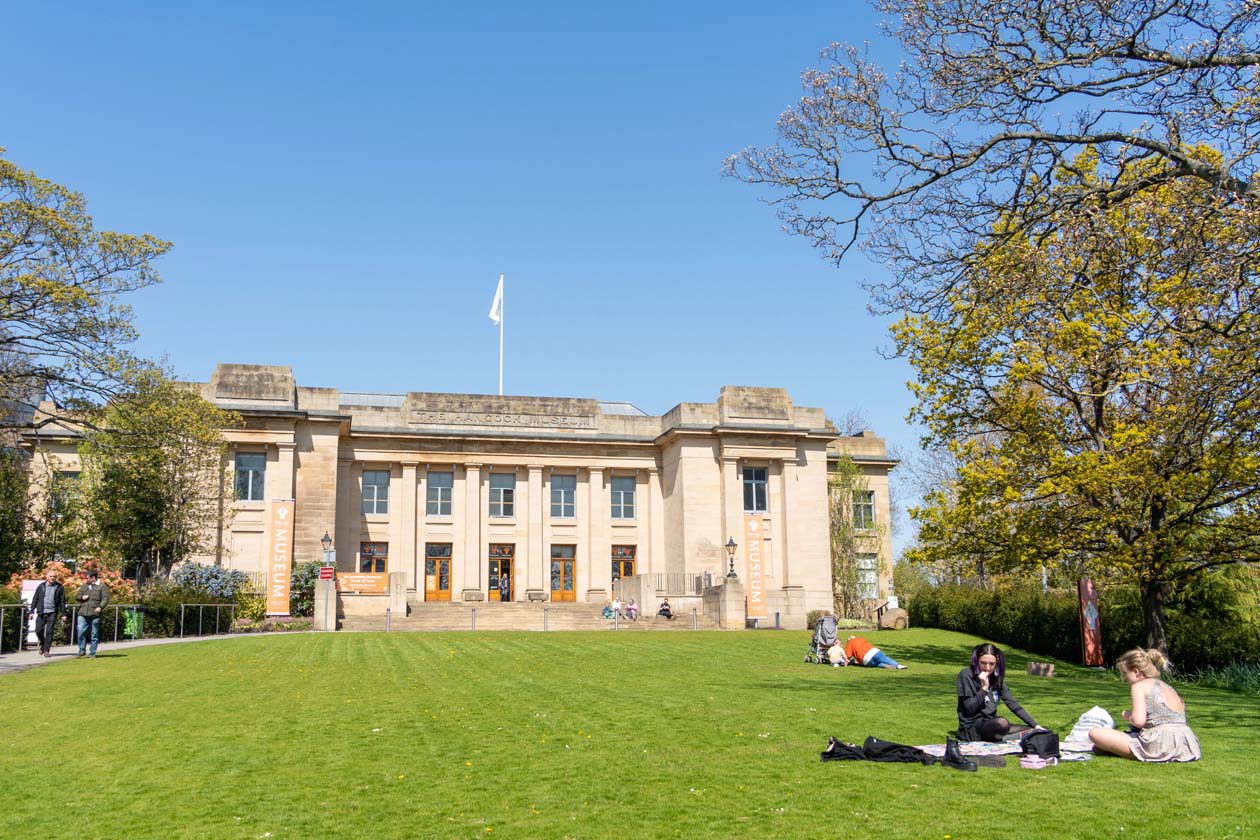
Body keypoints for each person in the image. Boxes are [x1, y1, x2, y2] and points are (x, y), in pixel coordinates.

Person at [1088, 648, 1201, 762]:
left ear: (1136, 671)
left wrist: (1127, 715)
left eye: (1125, 673)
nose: (1124, 678)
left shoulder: (1139, 686)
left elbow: (1138, 721)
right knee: (1099, 746)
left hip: (1160, 743)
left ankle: (1125, 751)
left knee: (1095, 733)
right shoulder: (1168, 687)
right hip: (1186, 744)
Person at [956, 642, 1039, 741]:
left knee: (1039, 730)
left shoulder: (996, 678)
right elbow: (970, 709)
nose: (987, 668)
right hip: (972, 728)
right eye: (983, 663)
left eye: (992, 664)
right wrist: (984, 688)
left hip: (991, 723)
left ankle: (1005, 737)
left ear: (997, 662)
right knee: (1002, 723)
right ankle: (1006, 738)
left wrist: (1035, 725)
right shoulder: (966, 675)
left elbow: (1012, 703)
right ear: (976, 660)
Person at [30, 568, 66, 658]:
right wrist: (31, 611)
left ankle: (46, 650)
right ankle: (43, 644)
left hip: (52, 612)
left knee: (49, 631)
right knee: (38, 630)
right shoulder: (41, 586)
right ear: (47, 577)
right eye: (51, 576)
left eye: (54, 576)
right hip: (41, 612)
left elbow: (62, 601)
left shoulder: (59, 587)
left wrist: (63, 614)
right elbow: (35, 599)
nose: (52, 578)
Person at [75, 568, 110, 658]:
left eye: (88, 578)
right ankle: (82, 650)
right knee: (80, 632)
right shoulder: (84, 586)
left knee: (94, 634)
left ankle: (92, 653)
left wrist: (100, 607)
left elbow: (105, 598)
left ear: (93, 577)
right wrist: (82, 597)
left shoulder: (102, 587)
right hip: (82, 613)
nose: (86, 580)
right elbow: (77, 596)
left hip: (95, 614)